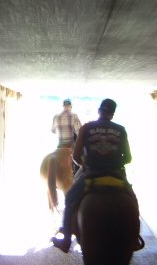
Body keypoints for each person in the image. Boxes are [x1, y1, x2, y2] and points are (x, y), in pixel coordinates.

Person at [51, 98, 136, 253]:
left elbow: (76, 156)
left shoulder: (87, 128)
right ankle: (134, 238)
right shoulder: (121, 129)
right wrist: (115, 161)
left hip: (91, 174)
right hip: (116, 174)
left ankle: (66, 240)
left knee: (70, 199)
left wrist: (86, 164)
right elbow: (128, 158)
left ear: (99, 111)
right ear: (112, 114)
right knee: (133, 200)